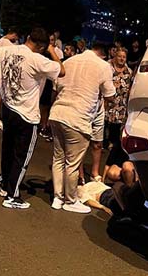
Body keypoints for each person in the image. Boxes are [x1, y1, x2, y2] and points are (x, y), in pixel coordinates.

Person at [0, 26, 64, 209]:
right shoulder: (37, 59)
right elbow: (62, 70)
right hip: (26, 114)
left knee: (8, 150)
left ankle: (5, 185)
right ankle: (13, 195)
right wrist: (52, 50)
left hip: (8, 107)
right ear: (41, 46)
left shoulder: (5, 50)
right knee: (22, 156)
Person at [49, 41, 115, 214]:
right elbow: (110, 95)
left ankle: (57, 197)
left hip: (57, 113)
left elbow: (55, 88)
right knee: (72, 163)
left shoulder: (69, 61)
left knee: (58, 158)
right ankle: (70, 200)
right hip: (78, 118)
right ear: (104, 55)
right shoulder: (103, 66)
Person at [103, 47, 132, 180]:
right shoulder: (108, 68)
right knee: (104, 127)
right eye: (119, 56)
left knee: (116, 132)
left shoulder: (128, 72)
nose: (121, 59)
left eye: (124, 57)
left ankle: (112, 149)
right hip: (107, 104)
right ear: (115, 56)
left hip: (121, 106)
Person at [0, 27, 19, 129]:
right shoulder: (9, 44)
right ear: (13, 34)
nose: (16, 39)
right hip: (5, 71)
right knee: (4, 95)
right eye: (16, 37)